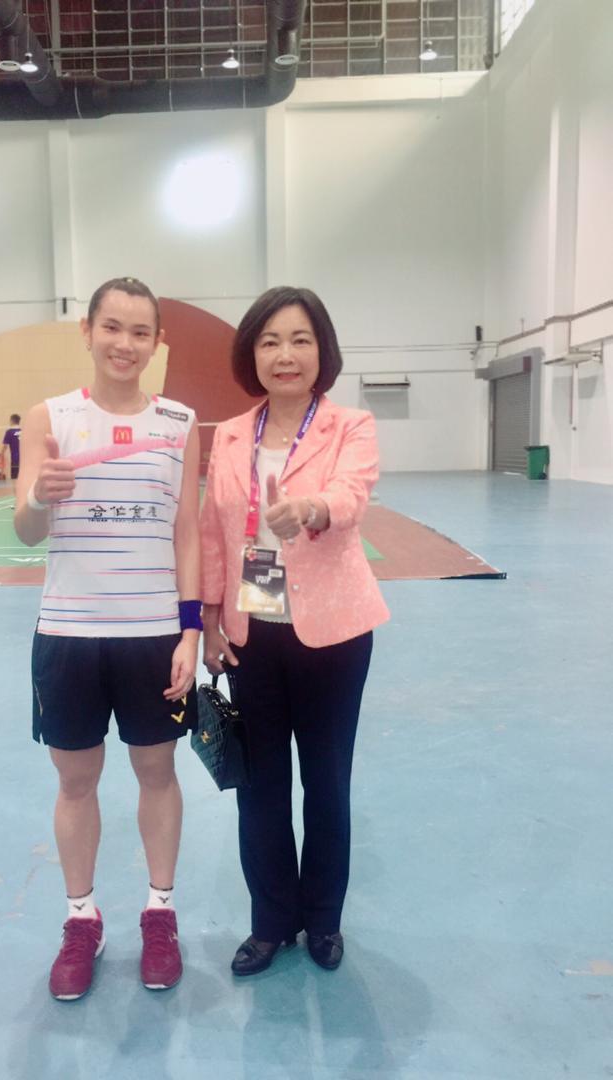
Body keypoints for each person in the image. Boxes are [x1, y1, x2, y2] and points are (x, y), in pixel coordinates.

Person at [15, 277, 201, 1000]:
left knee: (157, 774)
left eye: (140, 331)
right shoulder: (49, 418)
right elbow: (26, 529)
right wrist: (39, 496)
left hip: (153, 633)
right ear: (87, 332)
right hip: (69, 633)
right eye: (112, 327)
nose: (125, 343)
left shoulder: (180, 421)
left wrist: (191, 629)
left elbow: (186, 531)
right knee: (75, 782)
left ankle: (160, 913)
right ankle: (81, 919)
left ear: (157, 343)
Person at [200, 286, 390, 976]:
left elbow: (352, 495)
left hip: (333, 634)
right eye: (271, 341)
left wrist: (309, 508)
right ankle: (270, 923)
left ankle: (323, 922)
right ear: (253, 352)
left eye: (300, 339)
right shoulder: (227, 434)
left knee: (327, 782)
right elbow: (215, 532)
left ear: (322, 351)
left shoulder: (350, 426)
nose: (286, 354)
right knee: (261, 786)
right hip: (253, 632)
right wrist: (211, 621)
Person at [0, 414, 21, 493]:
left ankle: (17, 500)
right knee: (24, 478)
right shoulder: (24, 430)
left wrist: (1, 456)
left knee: (15, 479)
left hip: (15, 460)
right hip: (25, 459)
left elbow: (5, 446)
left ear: (11, 420)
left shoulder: (9, 432)